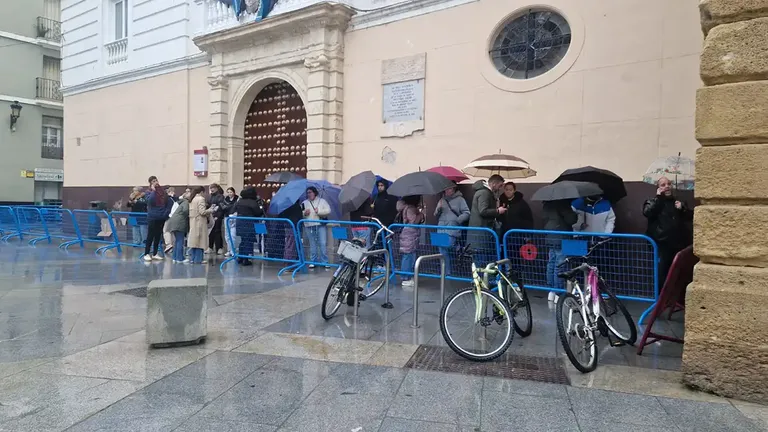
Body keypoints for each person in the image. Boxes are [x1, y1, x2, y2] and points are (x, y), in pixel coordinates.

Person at [643, 176, 693, 287]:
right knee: (662, 273)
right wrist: (658, 198)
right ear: (658, 188)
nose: (667, 187)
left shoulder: (678, 202)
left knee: (678, 273)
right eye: (663, 185)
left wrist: (683, 208)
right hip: (661, 244)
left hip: (678, 244)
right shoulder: (652, 201)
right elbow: (647, 212)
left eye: (669, 184)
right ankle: (661, 301)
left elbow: (689, 217)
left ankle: (675, 299)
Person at [542, 199, 579, 301]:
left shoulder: (546, 204)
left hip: (550, 236)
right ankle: (559, 292)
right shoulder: (563, 204)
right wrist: (573, 213)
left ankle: (551, 291)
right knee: (560, 265)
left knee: (551, 264)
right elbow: (571, 219)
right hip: (562, 237)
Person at [468, 174, 507, 266]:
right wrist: (498, 210)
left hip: (480, 232)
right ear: (493, 184)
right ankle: (481, 279)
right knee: (481, 261)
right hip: (482, 233)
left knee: (480, 261)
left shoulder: (483, 192)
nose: (500, 188)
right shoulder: (485, 193)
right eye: (500, 185)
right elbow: (483, 211)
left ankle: (479, 279)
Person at [434, 184, 470, 276]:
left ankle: (457, 246)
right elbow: (435, 214)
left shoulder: (460, 200)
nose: (448, 190)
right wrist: (438, 210)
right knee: (442, 251)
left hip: (452, 227)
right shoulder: (441, 200)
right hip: (441, 227)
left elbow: (467, 213)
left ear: (454, 189)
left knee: (448, 245)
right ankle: (446, 272)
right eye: (446, 188)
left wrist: (458, 220)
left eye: (450, 188)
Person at [143, 176, 173, 262]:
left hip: (161, 217)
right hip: (152, 217)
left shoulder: (162, 192)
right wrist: (154, 191)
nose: (155, 182)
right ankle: (147, 253)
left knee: (157, 236)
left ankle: (155, 253)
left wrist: (165, 214)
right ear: (150, 183)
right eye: (153, 181)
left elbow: (168, 201)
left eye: (156, 180)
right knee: (150, 235)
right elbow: (150, 201)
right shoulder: (148, 192)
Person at [397, 195, 424, 287]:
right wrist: (420, 214)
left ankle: (406, 276)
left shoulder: (406, 207)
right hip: (410, 234)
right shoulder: (411, 208)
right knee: (408, 256)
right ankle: (405, 278)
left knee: (408, 255)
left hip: (407, 233)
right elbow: (413, 222)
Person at [234, 186, 265, 266]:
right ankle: (245, 258)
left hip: (240, 222)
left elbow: (234, 209)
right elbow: (257, 212)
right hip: (250, 223)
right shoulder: (253, 202)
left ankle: (240, 256)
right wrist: (262, 209)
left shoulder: (239, 201)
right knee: (248, 240)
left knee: (243, 240)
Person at [302, 186, 331, 268]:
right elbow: (301, 213)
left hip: (320, 225)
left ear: (314, 193)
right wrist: (304, 214)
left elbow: (328, 211)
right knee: (312, 243)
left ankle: (325, 261)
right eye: (307, 193)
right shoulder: (304, 203)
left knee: (322, 243)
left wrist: (319, 212)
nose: (309, 194)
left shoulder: (322, 201)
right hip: (309, 225)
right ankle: (313, 261)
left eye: (310, 192)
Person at [188, 186, 213, 264]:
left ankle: (193, 258)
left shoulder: (192, 199)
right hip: (200, 222)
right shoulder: (201, 199)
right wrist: (211, 210)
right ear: (202, 192)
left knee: (194, 241)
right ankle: (199, 259)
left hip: (193, 221)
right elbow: (202, 212)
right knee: (200, 241)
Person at [167, 190, 190, 263]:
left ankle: (175, 257)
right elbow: (185, 210)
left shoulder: (179, 202)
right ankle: (180, 258)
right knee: (180, 240)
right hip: (180, 222)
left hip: (173, 222)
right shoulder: (186, 202)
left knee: (177, 240)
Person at [207, 183, 226, 255]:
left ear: (217, 188)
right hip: (210, 216)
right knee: (210, 232)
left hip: (217, 216)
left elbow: (221, 207)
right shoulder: (210, 197)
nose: (212, 189)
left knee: (217, 231)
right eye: (211, 188)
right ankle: (210, 247)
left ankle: (219, 248)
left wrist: (218, 216)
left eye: (213, 188)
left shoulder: (220, 196)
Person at [221, 187, 239, 255]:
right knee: (227, 235)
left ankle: (233, 250)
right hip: (227, 217)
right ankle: (229, 250)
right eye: (228, 192)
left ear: (234, 192)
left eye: (231, 192)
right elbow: (223, 207)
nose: (229, 194)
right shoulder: (226, 199)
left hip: (234, 218)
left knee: (233, 234)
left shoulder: (237, 199)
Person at [162, 187, 178, 254]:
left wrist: (164, 216)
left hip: (169, 217)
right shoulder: (175, 199)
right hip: (176, 217)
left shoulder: (168, 199)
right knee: (172, 232)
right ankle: (173, 246)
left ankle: (168, 245)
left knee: (166, 231)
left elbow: (168, 209)